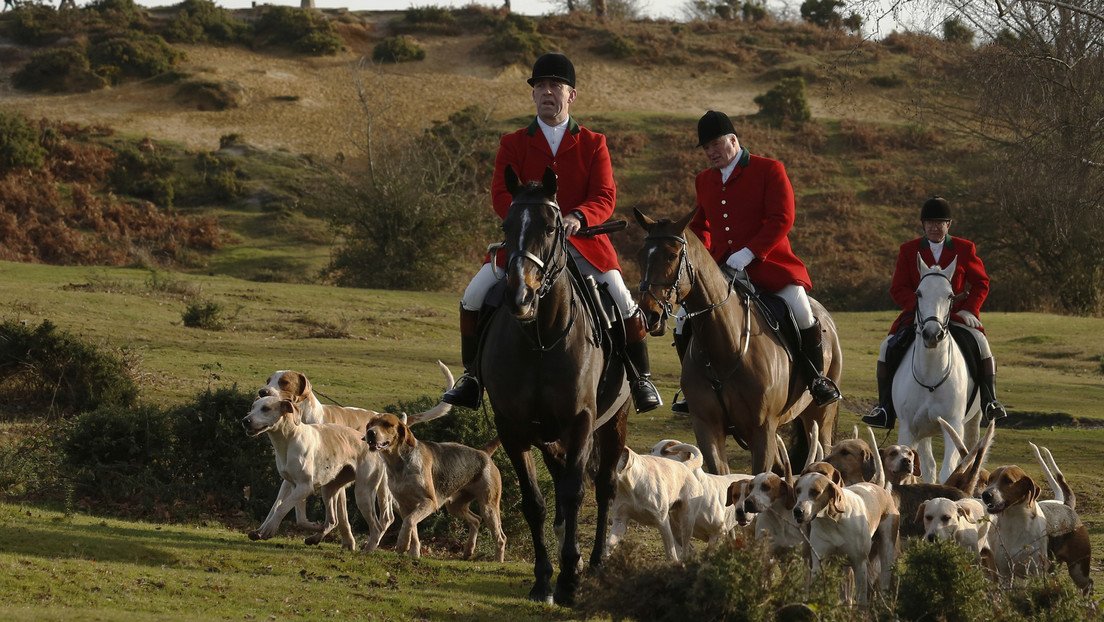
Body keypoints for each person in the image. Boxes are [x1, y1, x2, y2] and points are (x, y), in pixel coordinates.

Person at [441, 52, 662, 413]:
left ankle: (641, 379)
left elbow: (605, 195)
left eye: (555, 86)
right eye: (540, 86)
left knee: (622, 297)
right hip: (527, 245)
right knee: (474, 294)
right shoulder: (512, 143)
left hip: (583, 244)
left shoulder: (593, 142)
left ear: (571, 95)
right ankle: (472, 378)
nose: (547, 92)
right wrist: (525, 219)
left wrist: (579, 215)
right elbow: (500, 194)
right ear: (533, 95)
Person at [670, 110, 841, 413]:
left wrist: (750, 252)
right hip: (724, 269)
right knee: (684, 318)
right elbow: (701, 228)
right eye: (706, 148)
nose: (711, 152)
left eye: (715, 145)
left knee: (801, 309)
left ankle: (816, 380)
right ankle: (691, 388)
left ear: (733, 140)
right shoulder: (704, 180)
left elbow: (782, 218)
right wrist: (699, 257)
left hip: (770, 265)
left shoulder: (769, 169)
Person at [862, 196, 1008, 429]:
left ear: (948, 225)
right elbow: (898, 288)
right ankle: (885, 407)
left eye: (939, 223)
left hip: (957, 314)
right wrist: (920, 308)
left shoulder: (964, 248)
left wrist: (971, 308)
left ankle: (990, 401)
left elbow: (981, 282)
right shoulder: (909, 250)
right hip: (919, 315)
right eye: (929, 222)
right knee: (886, 347)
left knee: (981, 343)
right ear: (923, 224)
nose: (934, 227)